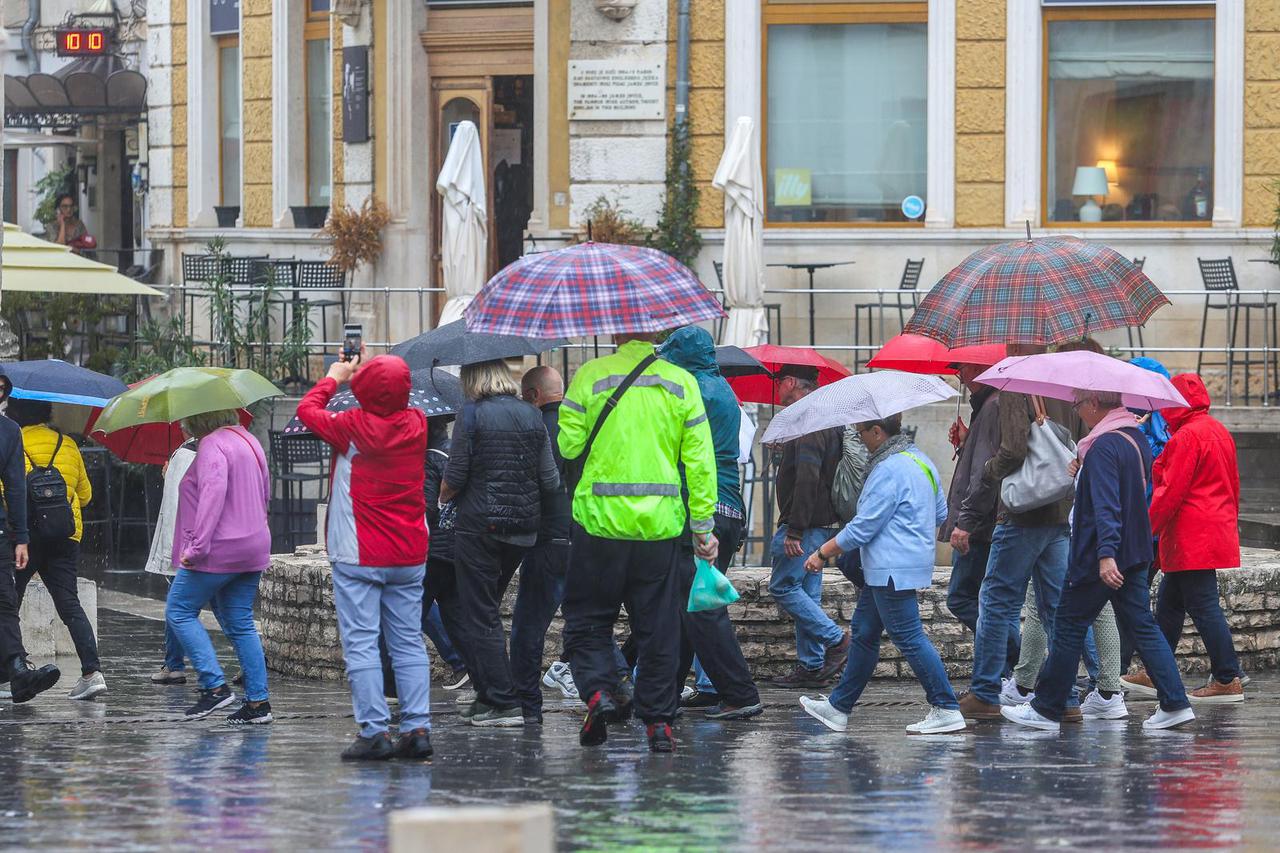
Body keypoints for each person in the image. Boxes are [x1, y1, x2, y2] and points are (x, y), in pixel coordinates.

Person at [559, 331, 718, 752]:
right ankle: (659, 724)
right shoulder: (681, 382)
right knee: (659, 629)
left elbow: (568, 444)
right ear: (656, 336)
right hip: (660, 529)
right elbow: (700, 462)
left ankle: (598, 692)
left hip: (598, 526)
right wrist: (702, 527)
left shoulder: (590, 376)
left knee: (588, 621)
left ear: (615, 331)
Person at [1001, 390, 1194, 732]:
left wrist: (1105, 555)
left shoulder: (1103, 446)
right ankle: (1175, 703)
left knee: (1068, 625)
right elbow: (1125, 491)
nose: (1078, 412)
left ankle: (1046, 709)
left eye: (1078, 405)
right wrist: (1082, 471)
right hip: (1135, 550)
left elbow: (1106, 505)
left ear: (1093, 404)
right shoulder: (1133, 438)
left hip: (1101, 555)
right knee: (1143, 626)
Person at [298, 353, 433, 761]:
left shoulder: (351, 427)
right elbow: (393, 398)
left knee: (361, 644)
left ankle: (374, 731)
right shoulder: (417, 424)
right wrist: (370, 377)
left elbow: (307, 410)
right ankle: (416, 728)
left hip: (359, 553)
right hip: (409, 553)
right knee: (408, 642)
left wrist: (335, 377)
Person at [798, 414, 964, 735]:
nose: (859, 439)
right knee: (864, 634)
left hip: (890, 566)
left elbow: (863, 526)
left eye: (862, 433)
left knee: (908, 636)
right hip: (899, 564)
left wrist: (823, 552)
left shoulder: (888, 468)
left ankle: (945, 706)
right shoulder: (922, 461)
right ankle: (838, 707)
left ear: (878, 431)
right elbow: (940, 512)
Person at [1001, 338, 1126, 719]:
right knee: (1066, 607)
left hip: (1074, 517)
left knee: (1051, 608)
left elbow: (1018, 450)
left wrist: (1106, 550)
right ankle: (1100, 690)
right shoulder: (1098, 404)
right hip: (1074, 512)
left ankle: (1048, 692)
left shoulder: (1081, 400)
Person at [957, 345, 1080, 722]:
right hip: (1059, 513)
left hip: (1022, 514)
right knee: (1056, 609)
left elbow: (1012, 449)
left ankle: (984, 693)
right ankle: (1067, 697)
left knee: (995, 603)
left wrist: (990, 470)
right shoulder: (1067, 384)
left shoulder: (1016, 383)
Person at [440, 359, 559, 729]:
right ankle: (489, 696)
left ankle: (503, 702)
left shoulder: (472, 414)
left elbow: (456, 476)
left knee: (480, 613)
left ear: (472, 379)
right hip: (523, 531)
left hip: (480, 528)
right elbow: (550, 479)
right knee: (485, 609)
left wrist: (442, 497)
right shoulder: (530, 414)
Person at [659, 326, 762, 720]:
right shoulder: (723, 391)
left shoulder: (693, 391)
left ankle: (740, 692)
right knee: (688, 605)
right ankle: (666, 691)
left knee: (702, 608)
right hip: (728, 508)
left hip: (704, 508)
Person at [1124, 373, 1246, 703]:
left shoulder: (1186, 437)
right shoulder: (1217, 430)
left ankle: (1227, 676)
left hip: (1190, 533)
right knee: (1170, 604)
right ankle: (1156, 671)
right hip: (1210, 528)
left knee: (1202, 606)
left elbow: (1169, 493)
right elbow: (1234, 484)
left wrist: (1144, 530)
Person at [165, 409, 273, 725]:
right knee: (240, 622)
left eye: (187, 421)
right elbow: (265, 491)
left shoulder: (212, 444)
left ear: (199, 419)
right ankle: (258, 704)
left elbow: (213, 494)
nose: (184, 427)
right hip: (254, 544)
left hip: (219, 548)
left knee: (179, 611)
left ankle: (214, 686)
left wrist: (197, 547)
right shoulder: (249, 440)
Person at [6, 399, 104, 700]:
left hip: (25, 538)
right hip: (65, 535)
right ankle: (92, 673)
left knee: (8, 606)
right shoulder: (68, 444)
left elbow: (7, 492)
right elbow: (85, 495)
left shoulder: (14, 440)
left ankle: (15, 669)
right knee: (69, 604)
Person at [767, 365, 850, 688]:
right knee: (807, 594)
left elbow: (807, 479)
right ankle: (812, 666)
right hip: (825, 523)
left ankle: (836, 641)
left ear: (790, 383)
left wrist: (795, 530)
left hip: (808, 525)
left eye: (778, 383)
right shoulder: (824, 418)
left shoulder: (810, 421)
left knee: (783, 587)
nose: (777, 390)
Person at [379, 417, 471, 701]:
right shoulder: (453, 453)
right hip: (456, 549)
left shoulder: (428, 459)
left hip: (429, 552)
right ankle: (482, 675)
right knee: (457, 618)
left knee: (398, 616)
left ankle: (391, 687)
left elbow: (426, 508)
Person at [942, 361, 1019, 680]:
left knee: (963, 598)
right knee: (990, 600)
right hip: (988, 521)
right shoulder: (989, 405)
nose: (958, 374)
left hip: (982, 524)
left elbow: (985, 472)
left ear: (980, 367)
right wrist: (967, 440)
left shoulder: (992, 405)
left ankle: (1015, 658)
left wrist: (966, 522)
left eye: (962, 367)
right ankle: (1003, 670)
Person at [510, 365, 574, 723]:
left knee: (528, 627)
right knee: (585, 622)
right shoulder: (581, 424)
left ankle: (526, 704)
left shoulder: (537, 428)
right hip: (582, 536)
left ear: (534, 396)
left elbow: (536, 484)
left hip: (547, 538)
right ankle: (613, 691)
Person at [0, 370, 61, 704]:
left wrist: (21, 537)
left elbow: (15, 485)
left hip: (0, 530)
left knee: (5, 600)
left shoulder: (9, 432)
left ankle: (18, 669)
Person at [146, 438, 199, 684]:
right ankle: (248, 664)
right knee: (229, 611)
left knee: (177, 607)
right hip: (219, 545)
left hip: (189, 548)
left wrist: (173, 554)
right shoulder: (231, 446)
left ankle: (175, 664)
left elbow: (177, 506)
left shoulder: (188, 452)